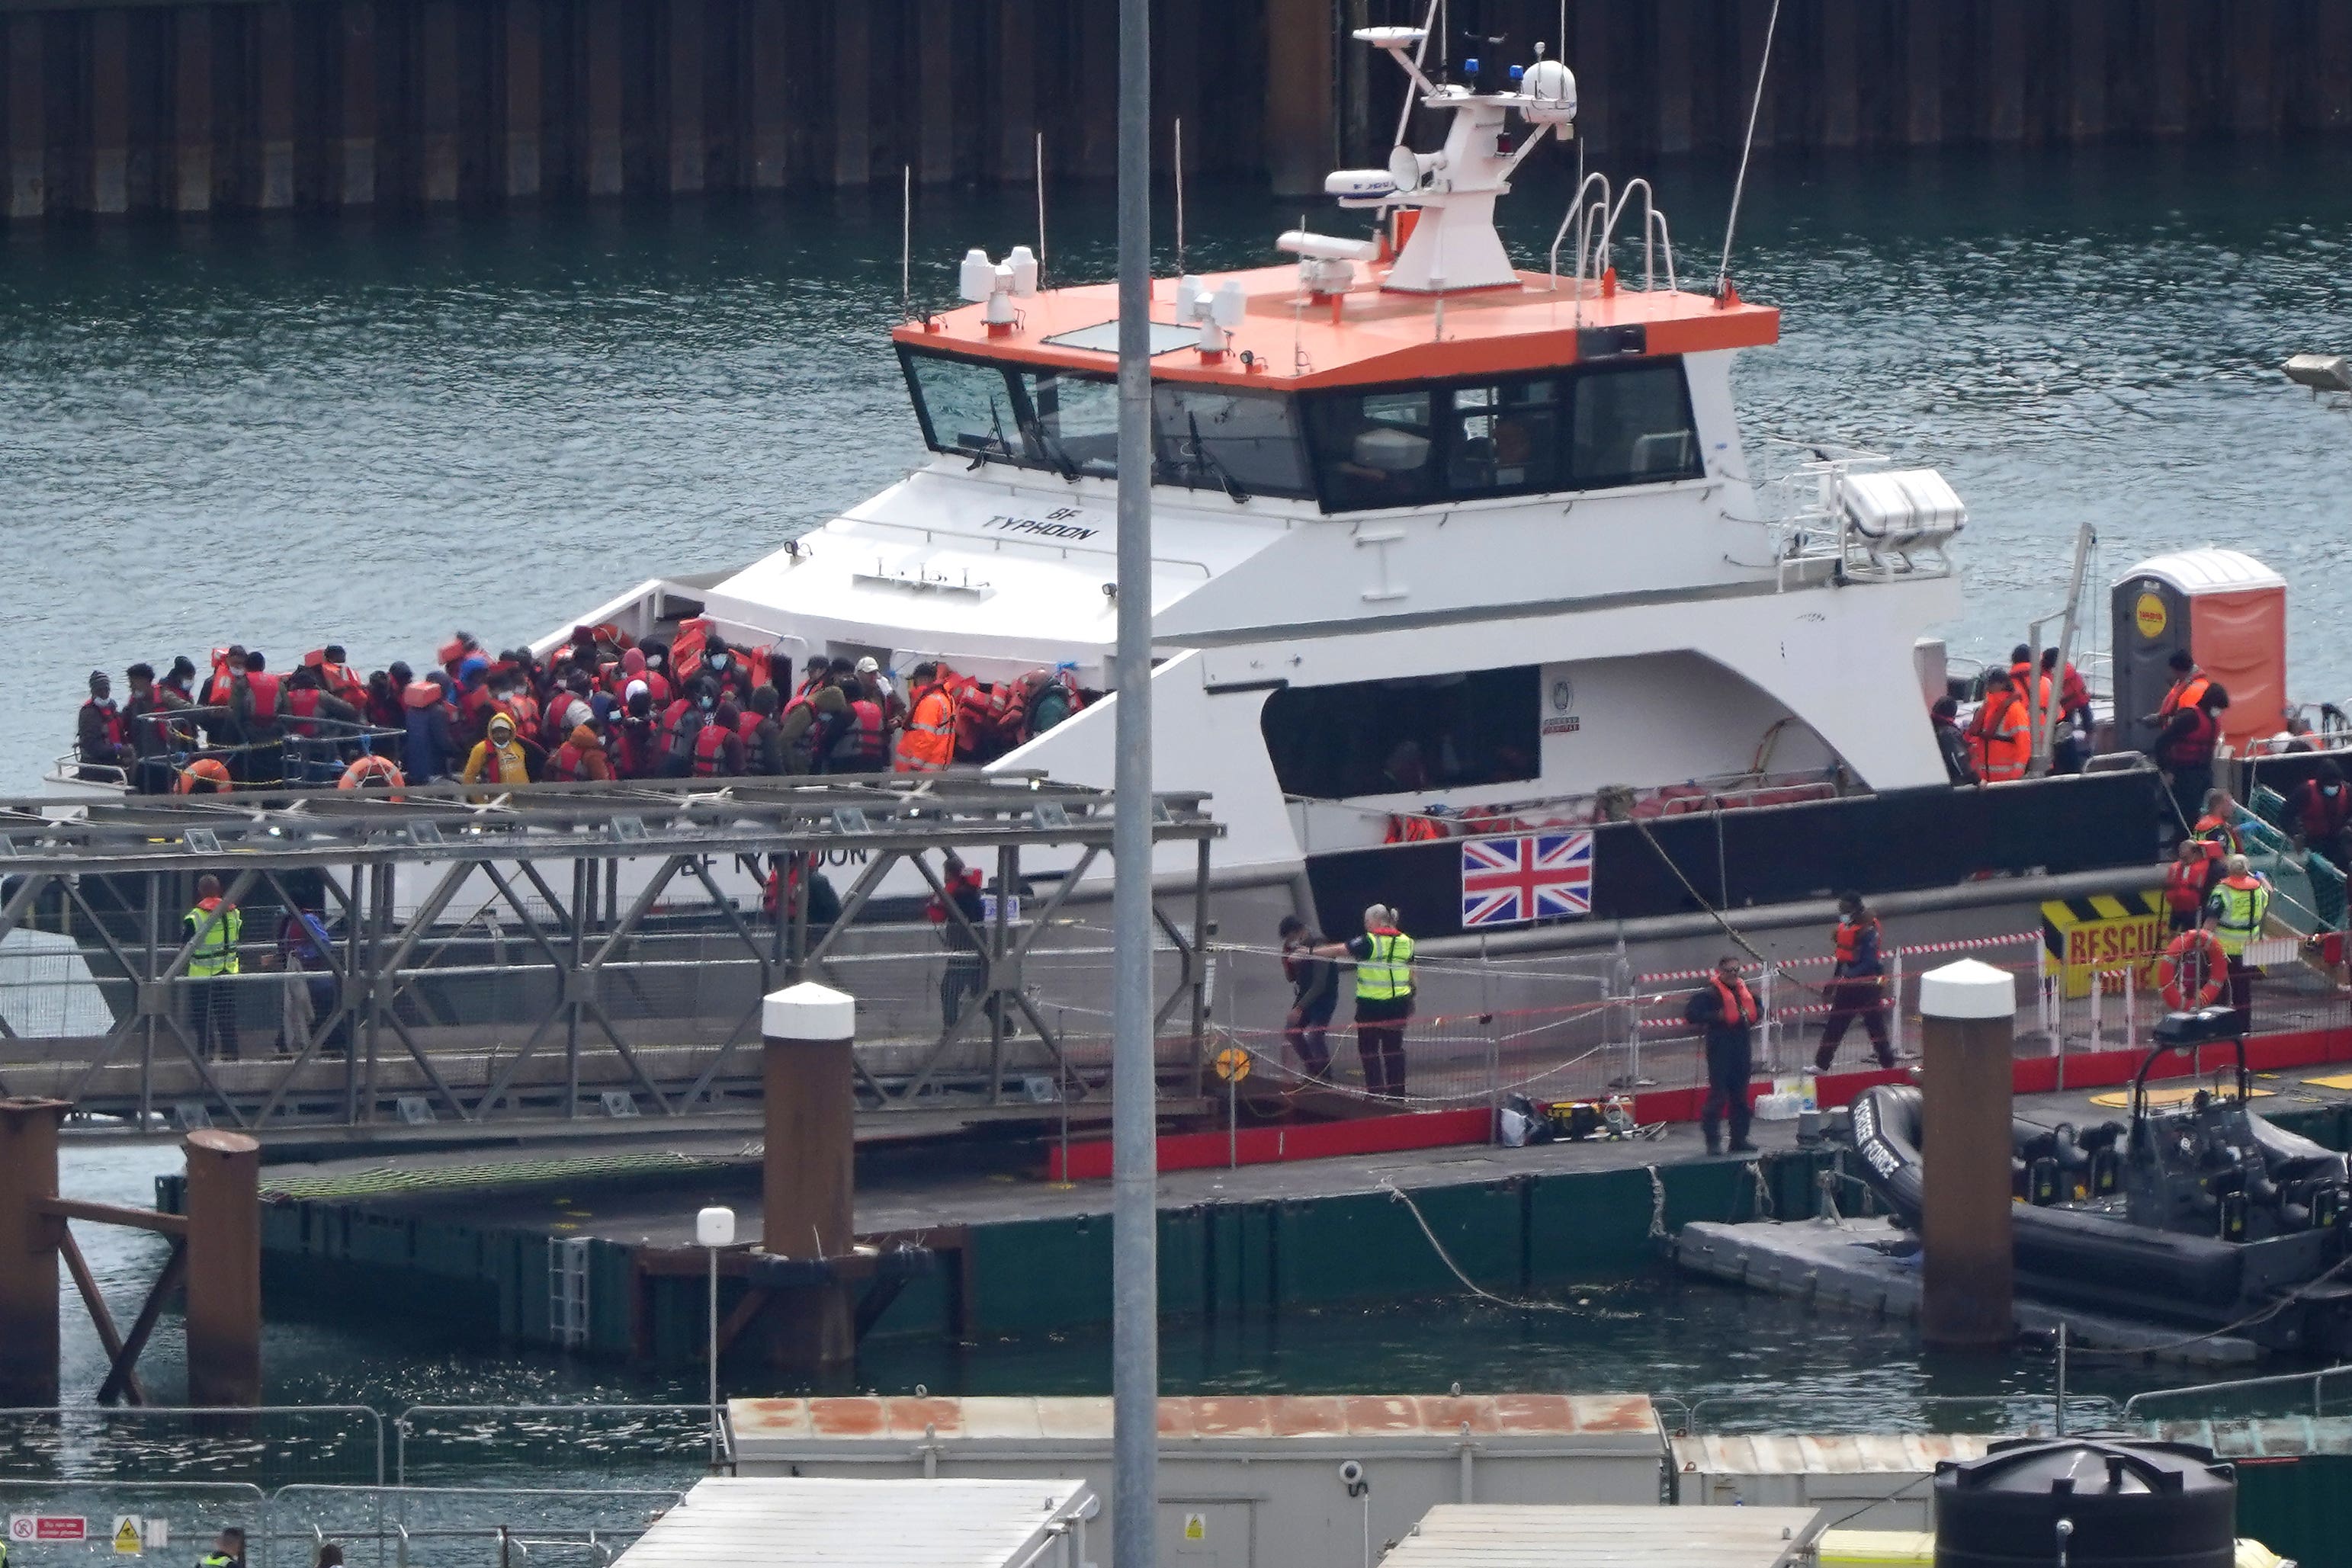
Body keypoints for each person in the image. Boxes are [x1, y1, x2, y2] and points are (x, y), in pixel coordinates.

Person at [1315, 904, 1415, 1099]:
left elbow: (1340, 950)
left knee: (1369, 1050)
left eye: (1367, 922)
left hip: (1371, 1006)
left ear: (1375, 921)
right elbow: (1413, 970)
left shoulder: (1369, 941)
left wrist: (1310, 952)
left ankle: (1375, 1093)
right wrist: (1413, 998)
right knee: (1393, 1050)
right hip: (1398, 1005)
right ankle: (1397, 1094)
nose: (1366, 925)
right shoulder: (1407, 941)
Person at [1683, 955, 1759, 1156]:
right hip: (1720, 1048)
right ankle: (1713, 1142)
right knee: (1718, 1096)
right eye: (1729, 971)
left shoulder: (1745, 991)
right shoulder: (1709, 995)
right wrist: (1716, 1017)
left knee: (1741, 1097)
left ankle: (1739, 1140)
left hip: (1742, 1047)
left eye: (1736, 970)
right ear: (1720, 972)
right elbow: (1691, 1014)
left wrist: (1753, 1014)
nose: (1734, 974)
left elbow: (1758, 1009)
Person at [1815, 891, 1895, 1071]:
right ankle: (1821, 1064)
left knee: (1875, 1026)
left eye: (1844, 909)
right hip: (1847, 986)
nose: (1841, 912)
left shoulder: (1869, 930)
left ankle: (1888, 1064)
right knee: (1835, 1024)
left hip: (1868, 986)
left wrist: (1848, 977)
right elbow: (1842, 958)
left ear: (1855, 908)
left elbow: (1870, 962)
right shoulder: (1845, 928)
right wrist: (1833, 982)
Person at [2206, 855, 2271, 1036]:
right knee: (2243, 991)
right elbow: (2269, 892)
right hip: (2249, 949)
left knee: (2219, 988)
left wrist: (2201, 943)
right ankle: (2244, 1028)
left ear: (2229, 869)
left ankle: (2219, 1028)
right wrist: (2260, 877)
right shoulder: (2257, 889)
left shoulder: (2222, 891)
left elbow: (2211, 921)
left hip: (2224, 949)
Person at [928, 850, 990, 1031]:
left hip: (964, 951)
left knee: (949, 990)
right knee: (982, 995)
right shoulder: (972, 893)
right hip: (979, 950)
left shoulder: (956, 895)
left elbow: (938, 915)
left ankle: (951, 1029)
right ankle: (1007, 1028)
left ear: (948, 874)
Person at [185, 875, 242, 1063]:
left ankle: (205, 1053)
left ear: (200, 891)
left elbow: (184, 945)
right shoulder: (234, 913)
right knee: (227, 1016)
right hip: (229, 972)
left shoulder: (195, 916)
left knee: (202, 1017)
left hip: (201, 975)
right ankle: (231, 1053)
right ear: (219, 890)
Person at [1277, 915, 1339, 1082]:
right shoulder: (1294, 948)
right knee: (1292, 1031)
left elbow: (1320, 984)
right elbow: (1291, 978)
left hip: (1324, 997)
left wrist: (1299, 1008)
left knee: (1314, 1035)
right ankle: (1312, 1071)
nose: (1291, 941)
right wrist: (1287, 960)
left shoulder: (1319, 944)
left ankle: (1325, 1077)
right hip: (1305, 993)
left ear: (1298, 932)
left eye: (1291, 937)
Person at [274, 897, 338, 1057]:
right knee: (295, 1008)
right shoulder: (293, 921)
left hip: (313, 977)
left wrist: (302, 953)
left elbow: (323, 943)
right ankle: (285, 1045)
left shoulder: (308, 920)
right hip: (300, 976)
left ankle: (331, 1048)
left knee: (315, 1011)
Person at [124, 662, 194, 794]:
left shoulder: (165, 697)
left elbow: (187, 708)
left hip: (168, 761)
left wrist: (209, 713)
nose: (131, 686)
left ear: (145, 681)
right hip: (144, 761)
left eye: (133, 682)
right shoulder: (133, 704)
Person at [1967, 669, 2030, 782]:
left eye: (1991, 683)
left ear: (2003, 684)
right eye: (1987, 683)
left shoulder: (2015, 710)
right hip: (1983, 781)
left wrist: (2015, 778)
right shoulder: (1986, 707)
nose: (1988, 686)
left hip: (2005, 781)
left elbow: (2024, 745)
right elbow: (1975, 739)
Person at [2289, 761, 2352, 873]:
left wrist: (2348, 826)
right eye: (2330, 785)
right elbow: (2286, 815)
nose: (2333, 788)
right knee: (2320, 877)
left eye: (2336, 785)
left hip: (2339, 840)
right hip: (2313, 842)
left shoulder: (2348, 791)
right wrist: (2296, 834)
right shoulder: (2305, 791)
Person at [895, 661, 957, 773]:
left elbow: (926, 736)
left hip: (922, 769)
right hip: (938, 762)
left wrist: (915, 765)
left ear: (921, 679)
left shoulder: (930, 702)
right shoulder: (948, 698)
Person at [2042, 646, 2092, 772]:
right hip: (2064, 723)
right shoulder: (2073, 678)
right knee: (2068, 752)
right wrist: (2089, 729)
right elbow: (2084, 705)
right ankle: (2074, 772)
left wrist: (2089, 729)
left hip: (2049, 724)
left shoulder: (2040, 679)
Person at [77, 669, 133, 780]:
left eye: (106, 690)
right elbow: (93, 747)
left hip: (113, 760)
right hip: (95, 766)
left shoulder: (112, 709)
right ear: (93, 691)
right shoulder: (89, 713)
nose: (104, 694)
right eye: (99, 691)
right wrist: (118, 749)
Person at [461, 710, 532, 790]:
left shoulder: (520, 745)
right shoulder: (481, 749)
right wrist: (480, 800)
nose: (500, 735)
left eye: (503, 731)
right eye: (496, 732)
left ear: (510, 731)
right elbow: (469, 777)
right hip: (496, 799)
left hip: (523, 797)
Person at [2163, 838, 2219, 935]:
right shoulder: (2178, 868)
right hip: (2178, 908)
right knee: (2173, 934)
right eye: (2181, 858)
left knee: (2193, 938)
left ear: (2196, 853)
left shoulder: (2212, 869)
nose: (2182, 861)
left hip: (2197, 911)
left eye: (2186, 858)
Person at [1930, 695, 1976, 784]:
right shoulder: (1950, 732)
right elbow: (1959, 756)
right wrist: (1975, 779)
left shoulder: (1929, 727)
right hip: (1954, 780)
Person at [547, 723, 613, 782]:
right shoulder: (594, 756)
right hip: (582, 793)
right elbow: (603, 783)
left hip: (559, 791)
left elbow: (548, 766)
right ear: (595, 733)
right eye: (602, 734)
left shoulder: (565, 746)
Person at [2191, 787, 2241, 858]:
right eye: (2229, 804)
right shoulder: (2217, 829)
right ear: (2220, 806)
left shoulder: (2202, 824)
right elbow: (2222, 856)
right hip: (2223, 867)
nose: (2232, 808)